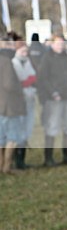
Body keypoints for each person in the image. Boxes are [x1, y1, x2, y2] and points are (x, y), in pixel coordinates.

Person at [37, 34, 67, 166]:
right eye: (58, 43)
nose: (60, 46)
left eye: (62, 43)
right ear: (52, 44)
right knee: (52, 126)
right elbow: (43, 78)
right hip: (54, 97)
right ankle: (48, 158)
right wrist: (53, 92)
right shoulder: (47, 58)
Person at [0, 30, 26, 174]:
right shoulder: (6, 62)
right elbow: (9, 85)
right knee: (12, 136)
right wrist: (20, 88)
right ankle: (7, 167)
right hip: (9, 105)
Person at [11, 40, 37, 169]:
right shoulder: (14, 63)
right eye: (23, 51)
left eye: (26, 51)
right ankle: (17, 160)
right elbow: (20, 81)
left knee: (27, 127)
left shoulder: (27, 62)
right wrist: (28, 81)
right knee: (19, 128)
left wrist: (29, 80)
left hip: (29, 97)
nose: (25, 53)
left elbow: (33, 77)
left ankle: (22, 158)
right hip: (19, 99)